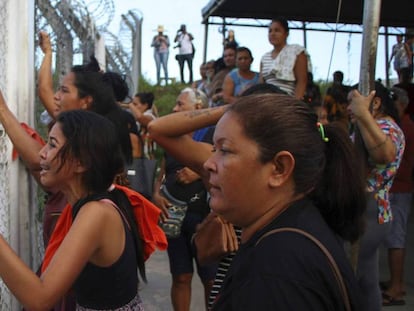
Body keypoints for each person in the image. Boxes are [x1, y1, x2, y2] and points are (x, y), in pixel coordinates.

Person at [149, 92, 366, 310]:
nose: (207, 164)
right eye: (214, 149)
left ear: (279, 168)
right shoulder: (291, 231)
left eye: (224, 151)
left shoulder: (275, 273)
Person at [0, 110, 146, 310]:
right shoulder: (91, 205)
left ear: (81, 162)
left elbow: (39, 299)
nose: (42, 152)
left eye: (52, 145)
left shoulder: (96, 213)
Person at [152, 87, 216, 311]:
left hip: (205, 219)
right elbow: (161, 174)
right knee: (181, 276)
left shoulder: (215, 134)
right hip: (174, 219)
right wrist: (157, 195)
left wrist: (199, 171)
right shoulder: (172, 138)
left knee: (211, 279)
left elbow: (227, 169)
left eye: (180, 104)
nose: (175, 108)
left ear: (198, 107)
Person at [347, 83, 405, 311]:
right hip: (373, 211)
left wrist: (363, 115)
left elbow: (385, 154)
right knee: (367, 279)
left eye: (353, 101)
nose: (349, 107)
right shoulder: (370, 126)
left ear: (376, 102)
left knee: (355, 275)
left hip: (370, 211)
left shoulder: (384, 127)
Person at [380, 87, 414, 306]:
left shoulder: (404, 127)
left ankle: (397, 287)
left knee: (396, 238)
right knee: (393, 237)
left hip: (399, 188)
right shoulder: (402, 126)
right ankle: (395, 282)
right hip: (397, 187)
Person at [260, 16, 308, 99]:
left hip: (287, 101)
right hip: (267, 101)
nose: (272, 34)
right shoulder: (264, 57)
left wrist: (294, 105)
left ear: (286, 33)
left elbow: (302, 81)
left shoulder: (297, 52)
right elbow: (261, 84)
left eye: (277, 30)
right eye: (270, 31)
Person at [129, 92, 158, 159]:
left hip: (147, 159)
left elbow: (140, 117)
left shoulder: (150, 117)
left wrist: (130, 105)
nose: (133, 107)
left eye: (135, 104)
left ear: (145, 105)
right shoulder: (138, 121)